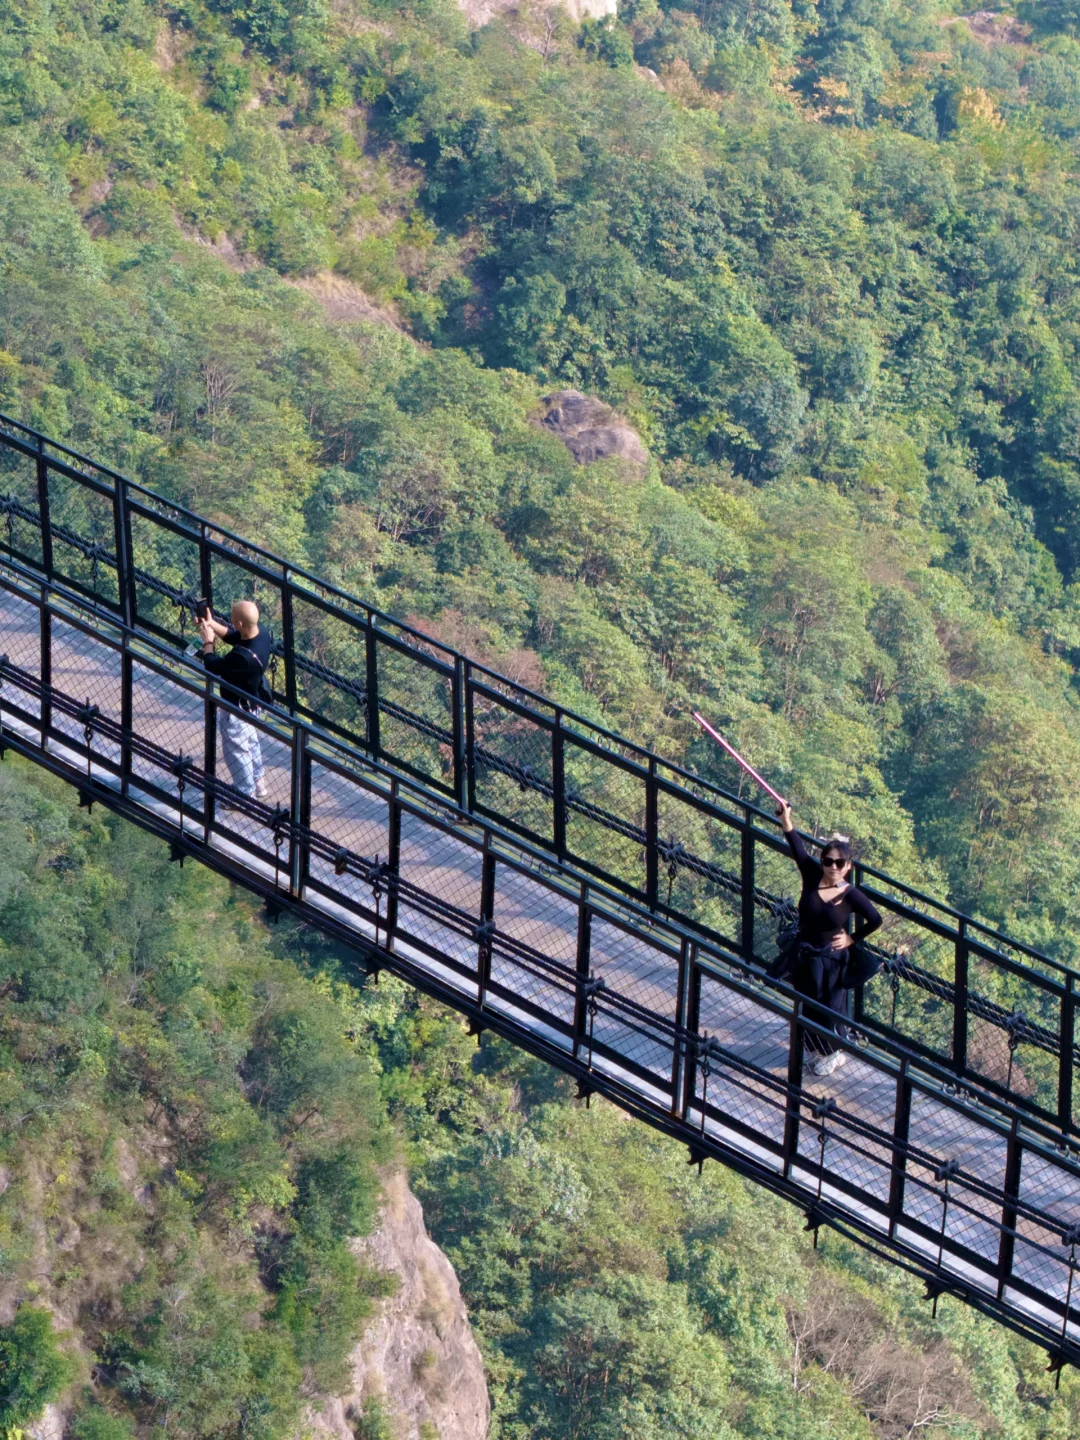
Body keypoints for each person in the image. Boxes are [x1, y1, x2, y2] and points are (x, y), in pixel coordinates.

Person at [770, 802, 882, 1077]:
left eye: (839, 863)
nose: (832, 867)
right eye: (828, 861)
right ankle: (813, 1047)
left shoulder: (851, 894)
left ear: (848, 867)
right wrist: (786, 820)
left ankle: (834, 1052)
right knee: (807, 1002)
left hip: (831, 959)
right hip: (805, 953)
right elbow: (796, 848)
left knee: (830, 1007)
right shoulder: (812, 876)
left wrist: (852, 939)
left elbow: (876, 920)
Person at [197, 600, 272, 800]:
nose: (229, 620)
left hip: (235, 711)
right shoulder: (262, 634)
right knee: (251, 743)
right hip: (253, 703)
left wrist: (208, 642)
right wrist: (212, 625)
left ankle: (244, 794)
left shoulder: (241, 658)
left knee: (236, 752)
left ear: (239, 623)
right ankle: (258, 782)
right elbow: (236, 637)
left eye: (232, 618)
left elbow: (213, 666)